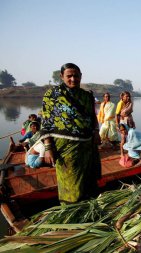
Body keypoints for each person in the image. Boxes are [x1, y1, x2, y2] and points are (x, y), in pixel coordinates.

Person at [39, 63, 101, 204]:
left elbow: (92, 117)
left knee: (88, 180)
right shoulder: (52, 95)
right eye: (69, 76)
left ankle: (88, 207)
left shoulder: (87, 96)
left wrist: (96, 132)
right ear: (62, 77)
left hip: (87, 146)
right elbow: (46, 122)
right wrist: (48, 148)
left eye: (76, 76)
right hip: (65, 147)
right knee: (70, 181)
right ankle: (70, 209)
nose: (73, 79)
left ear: (81, 77)